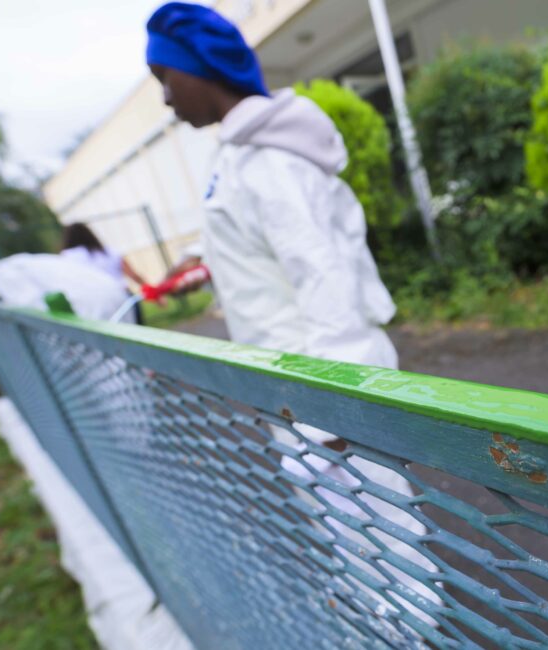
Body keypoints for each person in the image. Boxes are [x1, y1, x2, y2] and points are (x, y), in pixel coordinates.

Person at [145, 2, 437, 627]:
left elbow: (324, 275)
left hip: (325, 395)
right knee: (352, 537)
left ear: (202, 69)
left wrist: (333, 405)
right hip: (297, 390)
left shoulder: (271, 158)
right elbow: (258, 252)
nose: (166, 99)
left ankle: (413, 633)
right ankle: (383, 626)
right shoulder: (238, 155)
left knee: (382, 534)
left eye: (165, 78)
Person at [60, 222, 148, 324]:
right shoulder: (109, 251)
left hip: (94, 302)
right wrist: (153, 293)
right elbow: (133, 275)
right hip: (124, 296)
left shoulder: (67, 257)